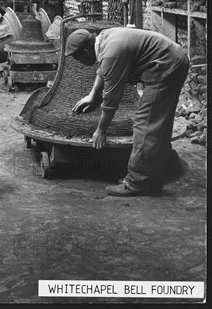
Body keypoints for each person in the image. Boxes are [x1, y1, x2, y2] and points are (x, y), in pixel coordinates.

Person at [65, 27, 189, 197]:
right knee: (159, 122)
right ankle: (154, 176)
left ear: (85, 52)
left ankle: (137, 183)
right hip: (172, 59)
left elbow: (111, 100)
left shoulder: (112, 52)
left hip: (167, 66)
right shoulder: (103, 39)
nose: (78, 62)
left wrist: (101, 130)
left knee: (145, 124)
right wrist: (93, 95)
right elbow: (103, 70)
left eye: (77, 57)